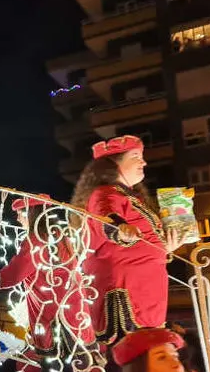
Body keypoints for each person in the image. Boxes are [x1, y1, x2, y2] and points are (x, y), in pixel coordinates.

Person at [70, 136, 183, 347]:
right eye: (136, 156)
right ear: (113, 164)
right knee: (129, 360)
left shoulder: (130, 197)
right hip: (127, 295)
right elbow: (105, 215)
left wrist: (164, 248)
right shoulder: (104, 193)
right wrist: (119, 229)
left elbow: (143, 242)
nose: (144, 162)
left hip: (147, 295)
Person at [0, 194, 97, 372]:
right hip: (76, 318)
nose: (18, 219)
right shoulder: (62, 237)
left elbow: (15, 273)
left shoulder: (35, 241)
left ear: (31, 214)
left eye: (21, 213)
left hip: (54, 322)